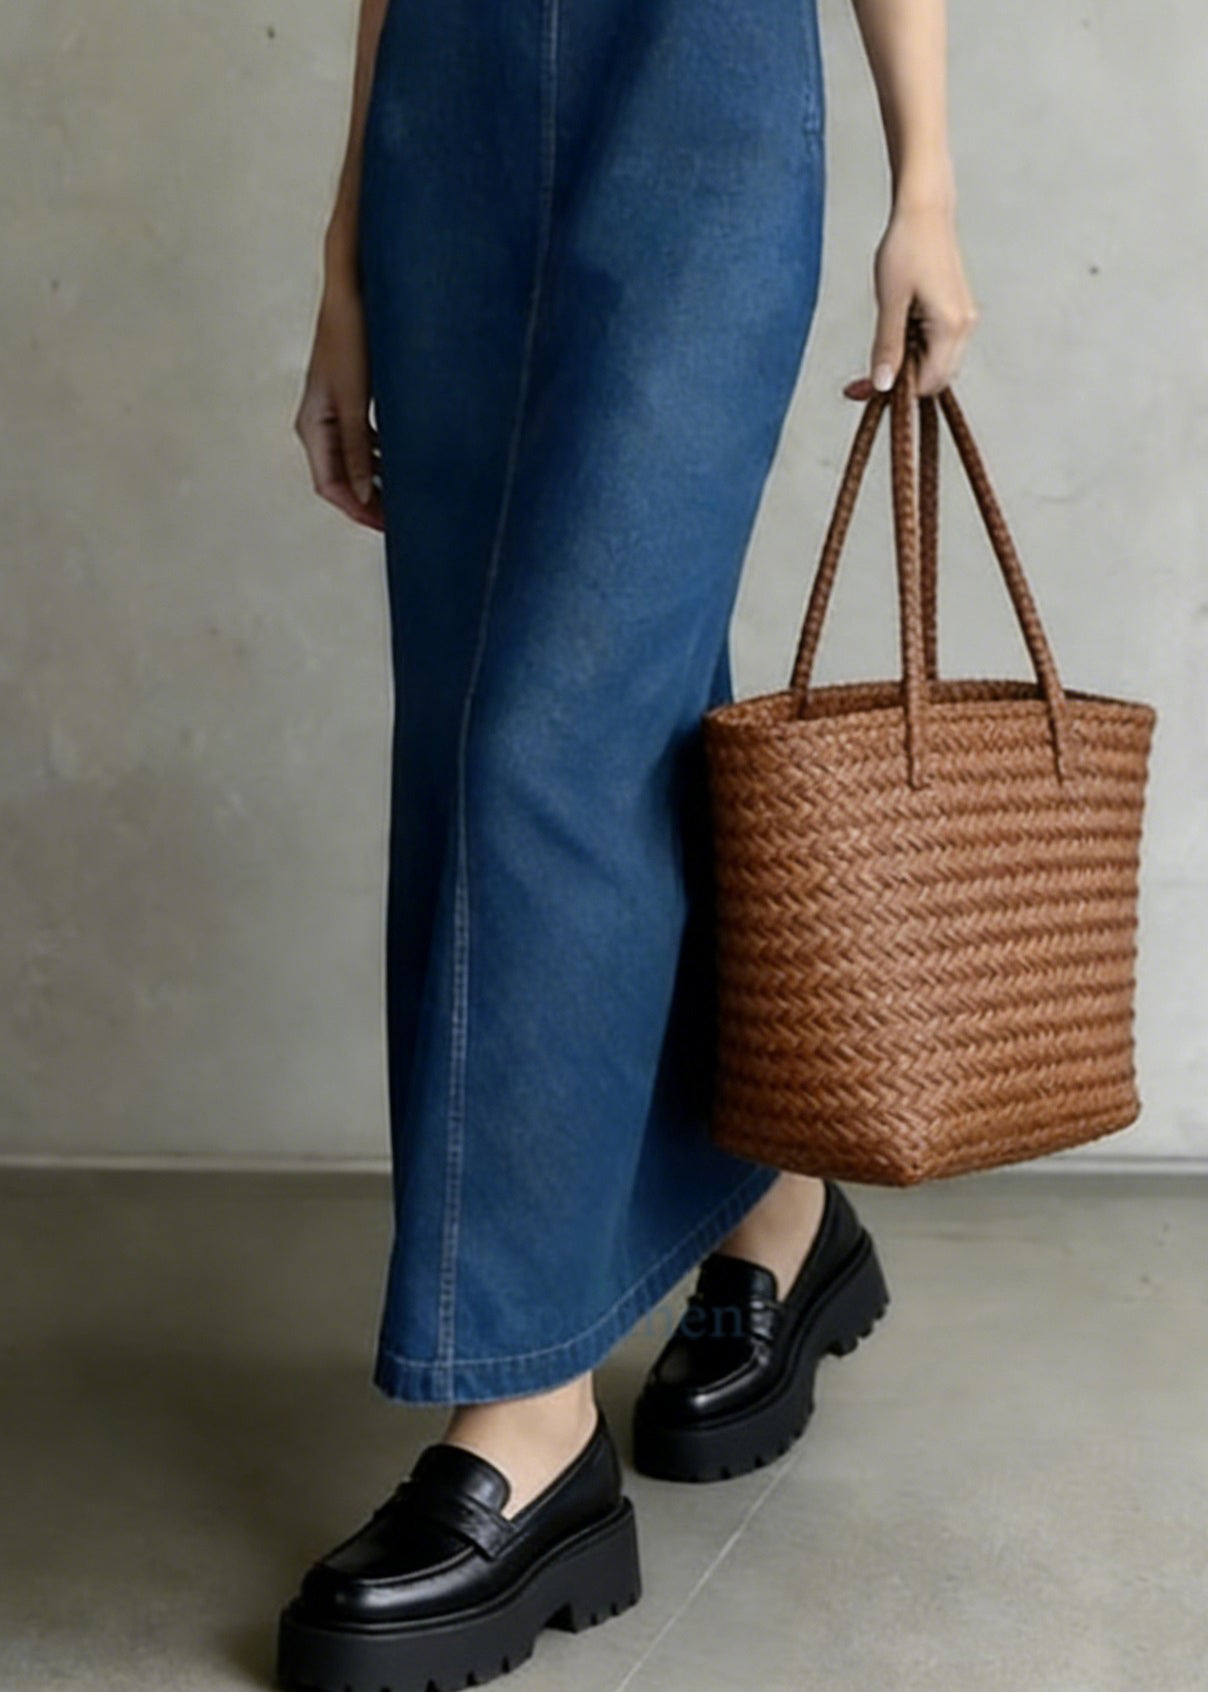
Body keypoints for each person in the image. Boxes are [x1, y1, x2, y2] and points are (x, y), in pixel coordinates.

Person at [279, 0, 978, 1686]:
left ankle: (530, 1422)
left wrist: (927, 184)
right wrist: (346, 256)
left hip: (699, 102)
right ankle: (779, 1202)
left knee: (550, 741)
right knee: (534, 722)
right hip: (444, 124)